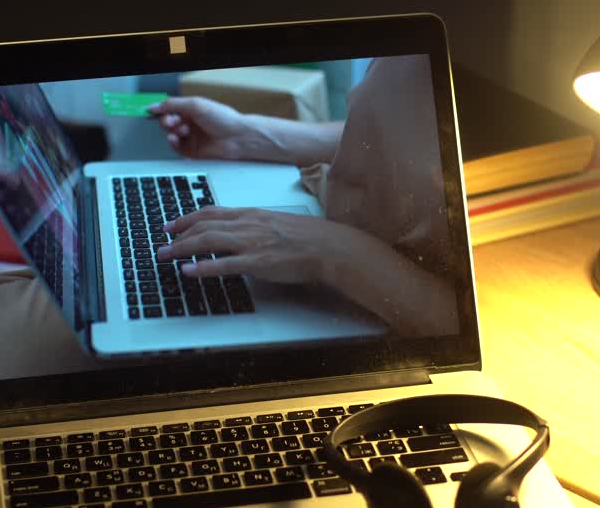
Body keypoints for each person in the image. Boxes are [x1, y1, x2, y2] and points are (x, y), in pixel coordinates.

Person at [150, 54, 457, 337]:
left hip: (380, 319)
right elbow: (386, 139)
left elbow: (467, 323)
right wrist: (247, 136)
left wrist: (331, 250)